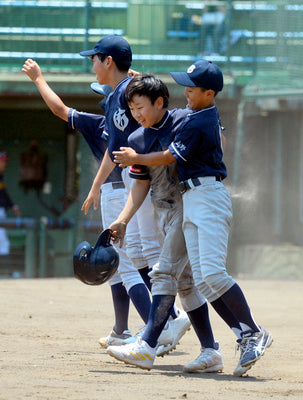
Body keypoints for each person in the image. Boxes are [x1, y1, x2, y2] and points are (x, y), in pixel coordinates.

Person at [112, 60, 272, 377]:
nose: (185, 91)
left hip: (203, 196)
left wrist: (136, 157)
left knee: (192, 273)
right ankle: (226, 344)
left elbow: (171, 155)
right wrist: (141, 82)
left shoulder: (194, 119)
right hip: (187, 199)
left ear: (209, 93)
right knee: (200, 280)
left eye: (191, 87)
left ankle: (149, 344)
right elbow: (143, 180)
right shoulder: (184, 120)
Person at [22, 57, 188, 355]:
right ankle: (128, 327)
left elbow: (62, 112)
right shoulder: (120, 123)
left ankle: (162, 323)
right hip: (129, 186)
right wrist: (95, 185)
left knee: (127, 262)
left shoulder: (108, 123)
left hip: (124, 188)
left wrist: (38, 78)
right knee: (130, 260)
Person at [0, 151, 21, 256]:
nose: (4, 164)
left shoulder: (1, 177)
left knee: (3, 242)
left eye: (5, 161)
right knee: (3, 243)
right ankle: (6, 270)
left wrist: (12, 206)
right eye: (2, 161)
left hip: (1, 211)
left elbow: (3, 194)